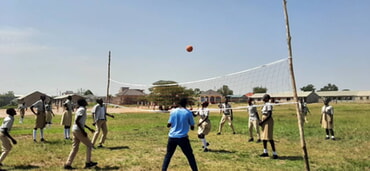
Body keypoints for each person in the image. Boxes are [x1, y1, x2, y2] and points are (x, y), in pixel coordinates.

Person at [162, 98, 198, 171]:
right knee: (190, 156)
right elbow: (192, 126)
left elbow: (168, 124)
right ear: (186, 104)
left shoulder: (173, 112)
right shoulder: (188, 113)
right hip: (182, 138)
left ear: (179, 104)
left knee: (168, 155)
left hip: (172, 137)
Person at [64, 98, 97, 170]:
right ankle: (88, 163)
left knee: (75, 148)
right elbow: (77, 121)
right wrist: (83, 131)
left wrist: (88, 128)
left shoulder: (81, 109)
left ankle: (68, 164)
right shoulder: (82, 109)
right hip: (78, 130)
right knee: (89, 145)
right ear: (83, 103)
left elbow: (81, 122)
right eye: (85, 101)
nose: (86, 102)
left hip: (75, 129)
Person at [259, 94, 278, 159]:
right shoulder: (264, 104)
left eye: (264, 97)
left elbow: (269, 115)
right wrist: (261, 121)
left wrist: (263, 122)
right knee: (264, 137)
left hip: (268, 121)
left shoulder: (269, 104)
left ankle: (275, 154)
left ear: (267, 98)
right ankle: (265, 152)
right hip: (264, 119)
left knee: (269, 137)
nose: (262, 98)